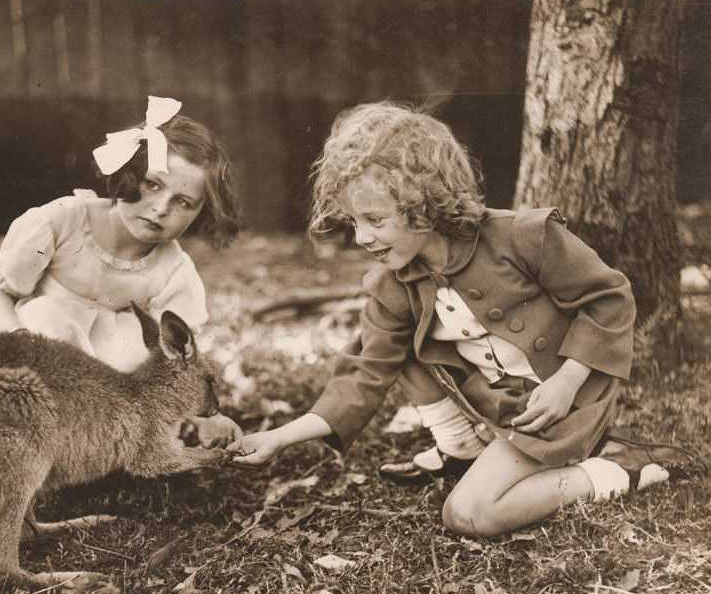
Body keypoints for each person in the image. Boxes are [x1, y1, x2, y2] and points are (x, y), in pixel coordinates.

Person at [228, 101, 671, 536]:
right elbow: (364, 376)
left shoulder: (521, 237)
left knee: (469, 514)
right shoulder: (393, 284)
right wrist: (279, 437)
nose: (361, 238)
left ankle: (617, 469)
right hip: (507, 409)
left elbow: (610, 298)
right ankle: (461, 447)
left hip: (567, 400)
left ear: (423, 202)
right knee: (402, 337)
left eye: (375, 220)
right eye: (354, 222)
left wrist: (567, 381)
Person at [0, 96, 243, 445]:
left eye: (183, 202)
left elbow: (180, 362)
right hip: (26, 352)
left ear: (200, 214)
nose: (160, 208)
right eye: (153, 184)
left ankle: (95, 446)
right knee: (46, 317)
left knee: (140, 351)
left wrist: (208, 416)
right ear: (129, 175)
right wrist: (21, 338)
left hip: (97, 382)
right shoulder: (60, 225)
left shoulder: (173, 271)